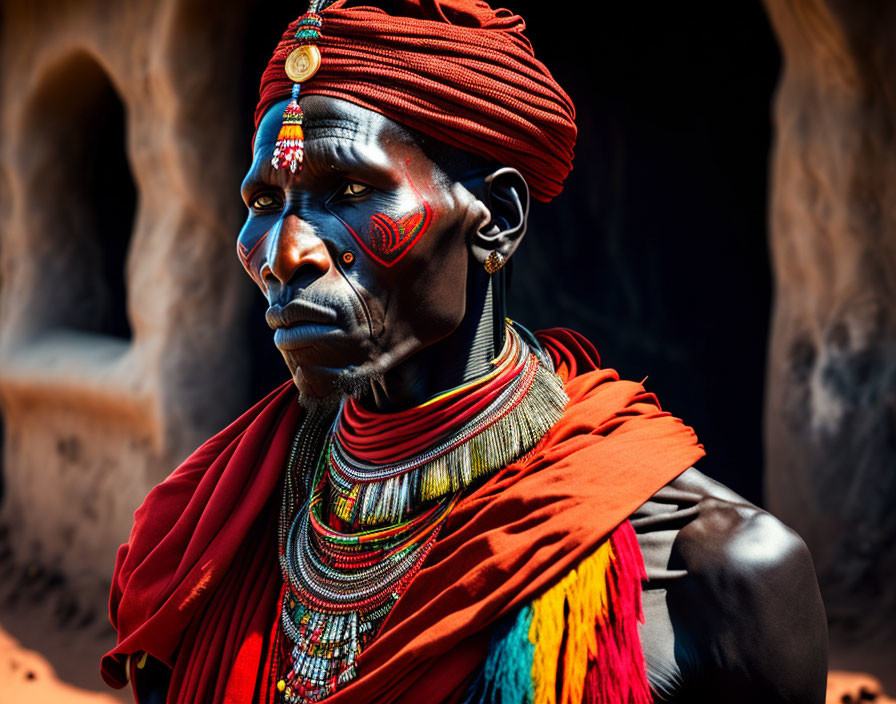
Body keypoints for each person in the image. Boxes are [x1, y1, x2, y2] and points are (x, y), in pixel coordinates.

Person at [101, 1, 828, 702]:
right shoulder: (201, 543)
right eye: (265, 203)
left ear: (497, 222)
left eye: (350, 188)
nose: (285, 251)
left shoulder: (714, 582)